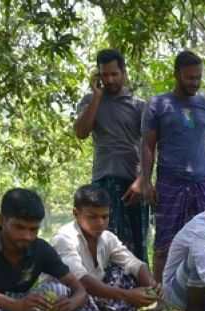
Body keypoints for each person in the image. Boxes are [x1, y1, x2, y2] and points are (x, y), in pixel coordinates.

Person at [140, 50, 205, 285]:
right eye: (190, 78)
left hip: (200, 185)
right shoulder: (158, 104)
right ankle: (162, 300)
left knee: (203, 243)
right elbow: (147, 146)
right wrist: (146, 183)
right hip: (169, 183)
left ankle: (195, 298)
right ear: (176, 74)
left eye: (198, 77)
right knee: (164, 244)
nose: (195, 83)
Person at [50, 184, 158, 311]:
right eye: (92, 217)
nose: (100, 223)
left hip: (91, 300)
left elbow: (134, 263)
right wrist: (128, 296)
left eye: (104, 216)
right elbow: (80, 280)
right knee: (63, 288)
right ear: (76, 213)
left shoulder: (107, 238)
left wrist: (151, 285)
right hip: (64, 306)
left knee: (123, 274)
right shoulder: (64, 239)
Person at [73, 47, 148, 260]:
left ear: (123, 73)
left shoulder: (138, 106)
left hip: (132, 182)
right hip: (103, 180)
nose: (110, 79)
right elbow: (81, 132)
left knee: (136, 242)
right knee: (104, 240)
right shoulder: (89, 102)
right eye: (104, 75)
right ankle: (107, 288)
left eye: (114, 74)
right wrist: (97, 96)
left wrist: (143, 180)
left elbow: (150, 146)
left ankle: (140, 289)